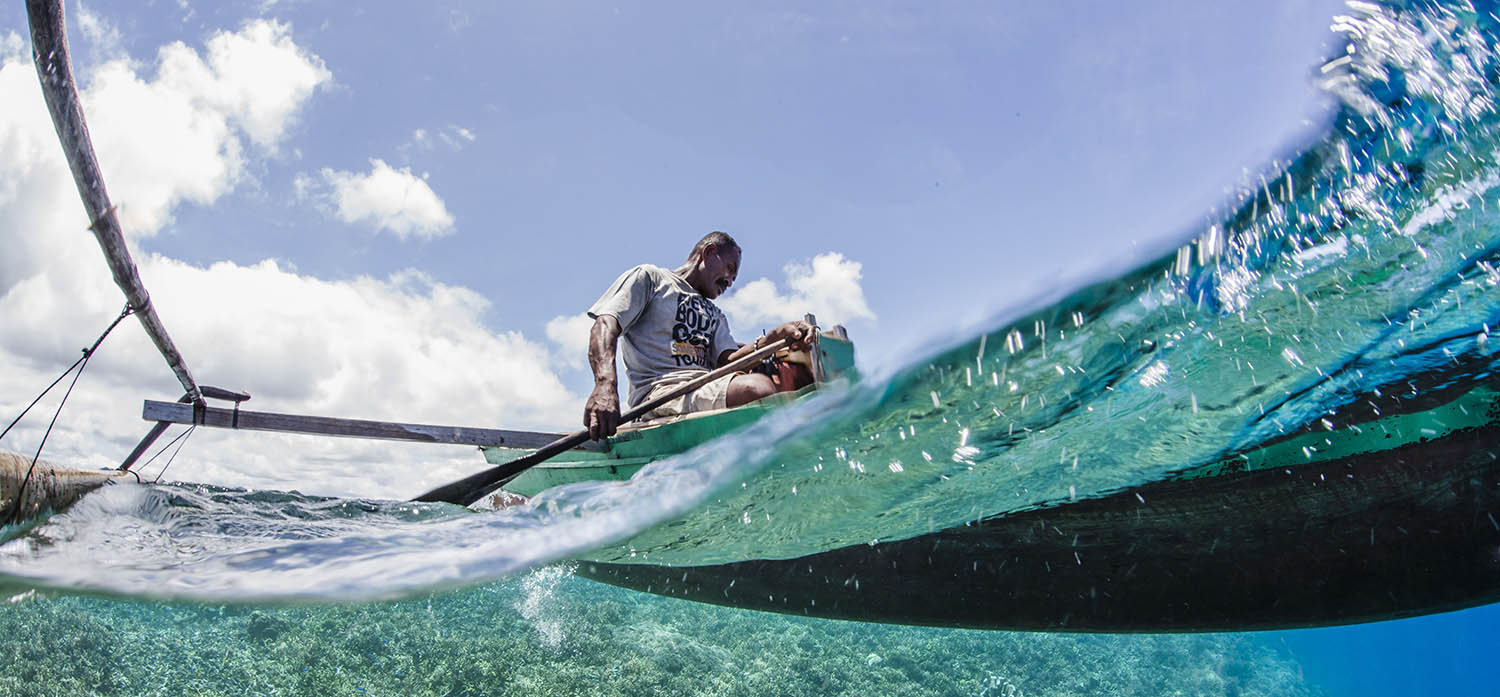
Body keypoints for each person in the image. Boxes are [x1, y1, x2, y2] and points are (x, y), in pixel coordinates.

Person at [583, 232, 814, 440]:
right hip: (660, 396)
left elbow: (730, 362)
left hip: (705, 389)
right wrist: (605, 386)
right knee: (756, 389)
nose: (730, 282)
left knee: (786, 388)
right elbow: (606, 324)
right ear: (709, 253)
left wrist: (773, 340)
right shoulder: (652, 279)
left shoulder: (716, 314)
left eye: (734, 278)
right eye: (730, 269)